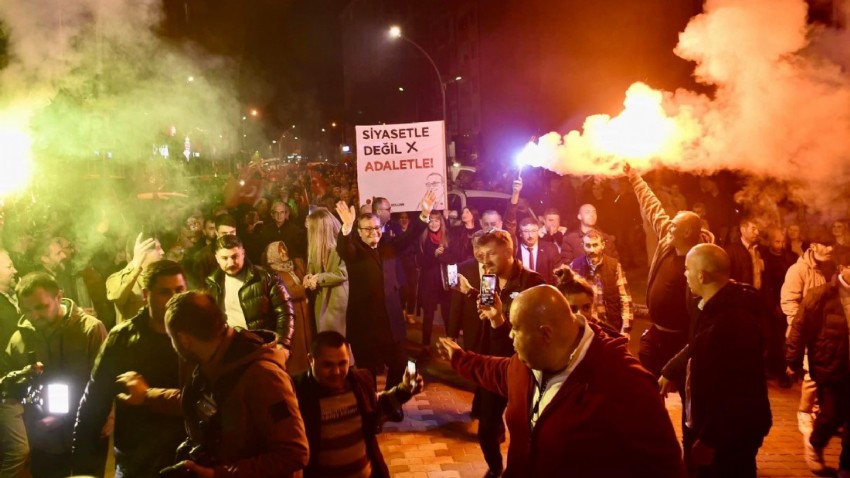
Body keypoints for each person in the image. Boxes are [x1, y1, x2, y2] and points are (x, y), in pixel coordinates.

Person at [436, 285, 685, 478]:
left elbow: (664, 466)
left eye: (516, 328)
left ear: (545, 333)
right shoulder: (527, 362)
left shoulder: (625, 382)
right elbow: (500, 373)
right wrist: (460, 358)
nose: (509, 335)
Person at [160, 291, 309, 477]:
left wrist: (219, 474)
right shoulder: (211, 365)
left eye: (171, 338)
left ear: (184, 339)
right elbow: (200, 402)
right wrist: (146, 396)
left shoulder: (263, 376)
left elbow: (294, 453)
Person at [73, 260, 189, 477]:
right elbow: (94, 402)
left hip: (185, 453)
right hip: (136, 456)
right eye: (165, 292)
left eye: (179, 290)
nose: (174, 299)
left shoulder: (196, 335)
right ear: (146, 295)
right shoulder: (123, 338)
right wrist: (82, 468)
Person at [451, 228, 545, 477]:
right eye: (481, 254)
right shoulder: (488, 278)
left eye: (491, 254)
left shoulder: (533, 283)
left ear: (509, 251)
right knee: (486, 429)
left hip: (522, 367)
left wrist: (500, 319)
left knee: (525, 430)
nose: (484, 261)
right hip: (493, 365)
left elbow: (529, 330)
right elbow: (489, 308)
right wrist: (471, 292)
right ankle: (495, 470)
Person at [4, 272, 107, 478]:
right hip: (44, 439)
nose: (34, 316)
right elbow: (13, 390)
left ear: (59, 297)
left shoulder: (90, 329)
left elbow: (105, 381)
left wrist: (105, 421)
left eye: (41, 307)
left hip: (87, 431)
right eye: (27, 310)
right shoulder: (19, 339)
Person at [334, 193, 433, 401]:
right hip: (365, 326)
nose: (374, 233)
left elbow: (410, 237)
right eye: (368, 229)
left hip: (391, 323)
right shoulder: (355, 251)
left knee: (399, 365)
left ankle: (392, 401)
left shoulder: (389, 246)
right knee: (368, 374)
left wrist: (424, 215)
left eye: (377, 228)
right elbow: (344, 248)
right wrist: (346, 228)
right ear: (359, 232)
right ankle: (371, 409)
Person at [292, 331, 423, 478]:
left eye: (342, 363)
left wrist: (405, 389)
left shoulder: (360, 381)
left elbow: (375, 410)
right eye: (328, 365)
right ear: (311, 360)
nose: (336, 372)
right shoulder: (297, 392)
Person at [624, 163, 713, 378]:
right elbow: (652, 207)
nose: (668, 227)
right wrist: (635, 177)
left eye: (674, 226)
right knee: (648, 385)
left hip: (683, 340)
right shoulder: (668, 240)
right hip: (656, 334)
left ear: (688, 231)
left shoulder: (702, 260)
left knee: (686, 389)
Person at [786, 262, 850, 476]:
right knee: (832, 415)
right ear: (842, 268)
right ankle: (815, 442)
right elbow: (800, 326)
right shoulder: (822, 294)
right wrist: (792, 360)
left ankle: (846, 465)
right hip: (829, 364)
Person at [781, 226, 836, 446]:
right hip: (806, 331)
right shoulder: (798, 270)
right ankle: (804, 413)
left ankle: (819, 411)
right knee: (812, 374)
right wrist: (802, 326)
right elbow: (789, 302)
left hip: (828, 331)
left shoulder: (831, 267)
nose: (831, 248)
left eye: (832, 244)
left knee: (826, 371)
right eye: (826, 245)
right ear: (813, 247)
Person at [205, 235, 296, 363]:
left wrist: (283, 345)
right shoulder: (212, 284)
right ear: (216, 258)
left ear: (243, 253)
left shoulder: (266, 277)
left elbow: (286, 313)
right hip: (230, 352)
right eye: (225, 258)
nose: (231, 262)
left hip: (263, 349)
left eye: (235, 256)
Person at [569, 229, 634, 336]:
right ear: (583, 245)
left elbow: (625, 299)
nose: (592, 250)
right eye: (588, 246)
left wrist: (625, 329)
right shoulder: (575, 266)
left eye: (595, 245)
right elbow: (569, 301)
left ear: (602, 245)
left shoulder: (614, 266)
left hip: (611, 325)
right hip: (585, 327)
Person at [264, 241, 312, 374]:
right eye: (279, 251)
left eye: (284, 249)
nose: (284, 253)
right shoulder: (272, 273)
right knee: (297, 349)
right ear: (273, 255)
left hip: (305, 315)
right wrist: (305, 287)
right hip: (292, 315)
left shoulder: (295, 265)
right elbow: (287, 292)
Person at [0, 250, 27, 477]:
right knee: (19, 449)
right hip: (4, 388)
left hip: (19, 383)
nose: (15, 270)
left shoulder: (12, 298)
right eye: (9, 267)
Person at [760, 227, 797, 387]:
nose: (780, 245)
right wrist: (772, 305)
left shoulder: (790, 258)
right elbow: (766, 284)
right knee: (769, 338)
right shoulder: (764, 257)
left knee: (784, 339)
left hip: (786, 301)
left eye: (782, 241)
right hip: (769, 304)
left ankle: (783, 372)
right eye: (777, 241)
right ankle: (768, 369)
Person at [303, 208, 348, 336]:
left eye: (311, 228)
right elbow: (311, 269)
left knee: (336, 340)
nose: (308, 230)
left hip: (336, 300)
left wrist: (318, 278)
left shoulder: (340, 247)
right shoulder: (315, 247)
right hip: (321, 298)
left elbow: (343, 274)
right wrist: (308, 277)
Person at [106, 233, 164, 324]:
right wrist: (136, 262)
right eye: (157, 248)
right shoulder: (116, 278)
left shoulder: (163, 279)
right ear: (142, 252)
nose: (162, 252)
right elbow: (116, 295)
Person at [551, 264, 622, 338]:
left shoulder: (609, 337)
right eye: (572, 309)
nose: (581, 314)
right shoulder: (552, 340)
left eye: (586, 307)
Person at [417, 211, 452, 356]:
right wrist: (434, 255)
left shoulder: (448, 237)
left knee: (447, 313)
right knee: (429, 314)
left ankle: (451, 341)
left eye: (437, 220)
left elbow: (453, 257)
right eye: (430, 220)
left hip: (444, 281)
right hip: (428, 282)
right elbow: (420, 262)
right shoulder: (423, 238)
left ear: (441, 222)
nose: (433, 223)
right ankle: (426, 343)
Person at [191, 214, 237, 288]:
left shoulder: (241, 250)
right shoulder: (203, 256)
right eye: (224, 233)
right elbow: (201, 286)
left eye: (232, 232)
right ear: (216, 233)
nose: (229, 236)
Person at [516, 217, 561, 285]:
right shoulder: (515, 250)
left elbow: (558, 275)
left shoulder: (550, 249)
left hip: (544, 292)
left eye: (533, 231)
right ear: (520, 233)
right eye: (526, 231)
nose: (530, 235)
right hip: (521, 293)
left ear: (538, 231)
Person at [726, 218, 763, 289]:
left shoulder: (761, 249)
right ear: (743, 230)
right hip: (742, 296)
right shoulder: (731, 251)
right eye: (753, 229)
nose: (757, 232)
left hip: (758, 295)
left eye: (758, 229)